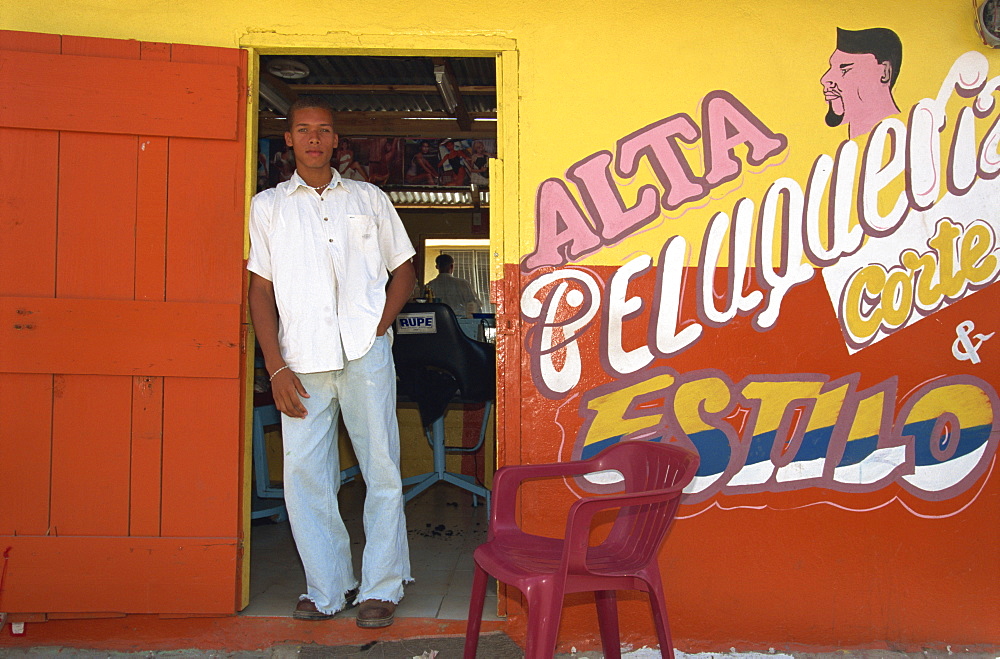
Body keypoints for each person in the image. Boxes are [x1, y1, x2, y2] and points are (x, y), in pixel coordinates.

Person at [247, 98, 416, 629]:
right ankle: (327, 587)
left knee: (382, 468)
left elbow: (404, 270)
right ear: (290, 140)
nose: (314, 139)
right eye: (303, 130)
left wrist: (379, 325)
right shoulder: (269, 207)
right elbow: (260, 291)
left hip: (366, 356)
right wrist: (274, 367)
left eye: (323, 131)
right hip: (301, 363)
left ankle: (382, 586)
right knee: (305, 476)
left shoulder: (368, 199)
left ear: (336, 140)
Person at [820, 27, 902, 139]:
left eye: (845, 69)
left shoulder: (906, 137)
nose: (825, 79)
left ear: (884, 72)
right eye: (831, 68)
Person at [425, 253, 482, 318]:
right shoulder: (463, 284)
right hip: (462, 323)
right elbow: (475, 306)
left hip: (438, 321)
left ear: (437, 267)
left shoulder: (429, 286)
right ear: (452, 266)